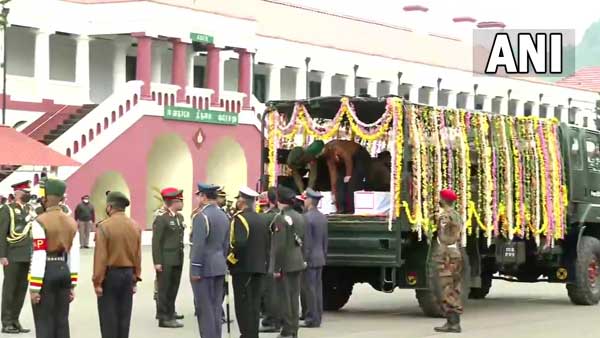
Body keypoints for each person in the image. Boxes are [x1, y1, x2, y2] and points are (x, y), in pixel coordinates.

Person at [29, 178, 80, 338]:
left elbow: (39, 254)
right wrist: (72, 283)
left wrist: (35, 287)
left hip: (46, 272)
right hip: (64, 270)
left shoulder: (39, 221)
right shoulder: (71, 222)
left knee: (44, 321)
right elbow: (74, 254)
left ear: (45, 199)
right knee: (62, 320)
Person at [93, 191, 142, 338]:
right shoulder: (135, 226)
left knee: (108, 319)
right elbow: (138, 256)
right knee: (124, 318)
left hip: (110, 276)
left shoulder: (104, 227)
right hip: (128, 275)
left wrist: (97, 282)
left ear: (109, 207)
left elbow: (100, 258)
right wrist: (135, 278)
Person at [228, 187, 270, 338]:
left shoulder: (240, 219)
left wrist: (230, 260)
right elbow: (267, 243)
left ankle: (246, 334)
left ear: (242, 201)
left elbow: (239, 243)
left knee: (243, 304)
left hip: (243, 268)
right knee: (254, 304)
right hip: (259, 267)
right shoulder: (262, 218)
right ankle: (253, 334)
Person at [287, 140, 371, 214]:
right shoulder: (329, 158)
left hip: (358, 156)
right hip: (344, 163)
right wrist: (334, 193)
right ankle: (341, 209)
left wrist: (348, 175)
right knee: (339, 183)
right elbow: (333, 175)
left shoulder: (336, 148)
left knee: (352, 182)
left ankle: (352, 210)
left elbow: (348, 158)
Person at [190, 183, 230, 338]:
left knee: (205, 310)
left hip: (204, 269)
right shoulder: (224, 216)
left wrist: (195, 269)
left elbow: (198, 246)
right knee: (215, 308)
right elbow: (226, 244)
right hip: (219, 265)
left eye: (199, 195)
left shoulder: (201, 217)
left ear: (204, 197)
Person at [272, 185, 306, 338]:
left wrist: (276, 267)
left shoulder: (280, 218)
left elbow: (279, 245)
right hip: (297, 260)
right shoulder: (299, 216)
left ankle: (287, 330)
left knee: (284, 298)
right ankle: (294, 330)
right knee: (294, 297)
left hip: (285, 262)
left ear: (279, 200)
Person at [0, 181, 34, 334]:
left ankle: (15, 319)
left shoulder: (29, 210)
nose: (28, 194)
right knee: (10, 289)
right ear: (17, 193)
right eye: (25, 191)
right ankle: (6, 322)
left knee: (21, 290)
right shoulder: (7, 210)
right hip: (12, 256)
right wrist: (2, 255)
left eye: (28, 191)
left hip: (27, 256)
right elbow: (2, 233)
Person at [152, 187, 185, 328]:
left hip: (177, 257)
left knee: (173, 287)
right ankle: (163, 317)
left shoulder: (178, 217)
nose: (182, 203)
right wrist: (157, 261)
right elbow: (156, 242)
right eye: (180, 201)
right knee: (164, 289)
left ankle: (171, 312)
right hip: (165, 259)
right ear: (174, 201)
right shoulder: (161, 219)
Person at [433, 189, 464, 333]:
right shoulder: (457, 215)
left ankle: (453, 323)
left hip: (447, 256)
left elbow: (445, 237)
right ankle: (453, 321)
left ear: (443, 200)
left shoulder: (445, 216)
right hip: (456, 253)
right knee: (454, 287)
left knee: (446, 288)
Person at [300, 188, 328, 328]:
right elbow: (325, 240)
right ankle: (318, 317)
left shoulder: (306, 218)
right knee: (318, 289)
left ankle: (311, 318)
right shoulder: (322, 217)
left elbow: (307, 242)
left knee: (309, 289)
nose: (304, 202)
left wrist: (304, 259)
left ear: (310, 201)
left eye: (305, 199)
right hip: (320, 257)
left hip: (310, 258)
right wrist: (324, 255)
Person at [259, 187, 282, 333]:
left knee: (269, 292)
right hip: (284, 259)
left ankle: (271, 321)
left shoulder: (266, 217)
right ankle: (281, 319)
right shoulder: (284, 216)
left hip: (268, 258)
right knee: (281, 292)